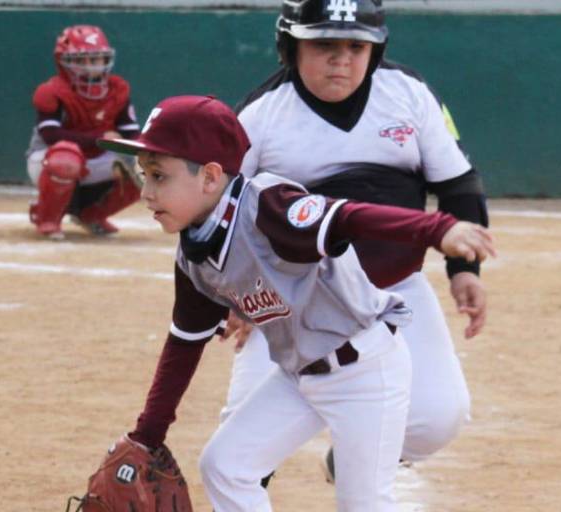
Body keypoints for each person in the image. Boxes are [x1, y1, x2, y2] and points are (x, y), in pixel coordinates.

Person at [97, 95, 495, 511]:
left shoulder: (269, 207)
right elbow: (184, 343)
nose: (146, 192)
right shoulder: (194, 255)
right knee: (225, 465)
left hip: (365, 371)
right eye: (145, 175)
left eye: (159, 176)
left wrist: (437, 228)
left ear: (211, 177)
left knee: (364, 503)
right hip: (298, 377)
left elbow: (350, 216)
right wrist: (149, 433)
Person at [221, 0, 492, 483]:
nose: (341, 59)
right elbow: (225, 212)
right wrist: (239, 293)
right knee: (243, 448)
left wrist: (464, 271)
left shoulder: (408, 94)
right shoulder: (261, 114)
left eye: (356, 46)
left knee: (435, 419)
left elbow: (458, 185)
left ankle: (354, 457)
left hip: (391, 291)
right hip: (290, 299)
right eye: (323, 44)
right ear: (290, 46)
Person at [26, 25, 141, 240]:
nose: (89, 67)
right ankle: (47, 217)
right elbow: (50, 135)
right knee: (65, 158)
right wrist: (98, 139)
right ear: (65, 62)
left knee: (143, 166)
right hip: (49, 158)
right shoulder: (52, 91)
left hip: (96, 158)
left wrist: (150, 157)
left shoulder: (118, 89)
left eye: (95, 59)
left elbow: (132, 133)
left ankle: (92, 215)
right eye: (80, 60)